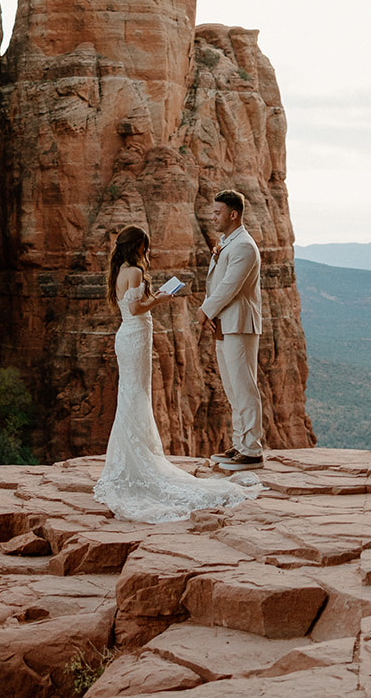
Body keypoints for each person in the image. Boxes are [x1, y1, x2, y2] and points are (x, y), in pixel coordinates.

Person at [93, 224, 260, 522]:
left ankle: (131, 456)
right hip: (134, 336)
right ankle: (139, 460)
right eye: (145, 246)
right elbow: (135, 309)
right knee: (135, 394)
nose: (147, 251)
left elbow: (131, 305)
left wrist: (153, 296)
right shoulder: (131, 271)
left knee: (134, 393)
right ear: (137, 246)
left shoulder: (121, 270)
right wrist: (160, 298)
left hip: (131, 338)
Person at [196, 189, 264, 469]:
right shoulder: (227, 242)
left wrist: (204, 310)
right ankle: (240, 444)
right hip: (224, 324)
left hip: (240, 323)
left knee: (244, 386)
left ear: (233, 214)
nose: (213, 217)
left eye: (217, 212)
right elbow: (216, 283)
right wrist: (209, 311)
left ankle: (252, 449)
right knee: (232, 388)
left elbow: (229, 287)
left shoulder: (244, 246)